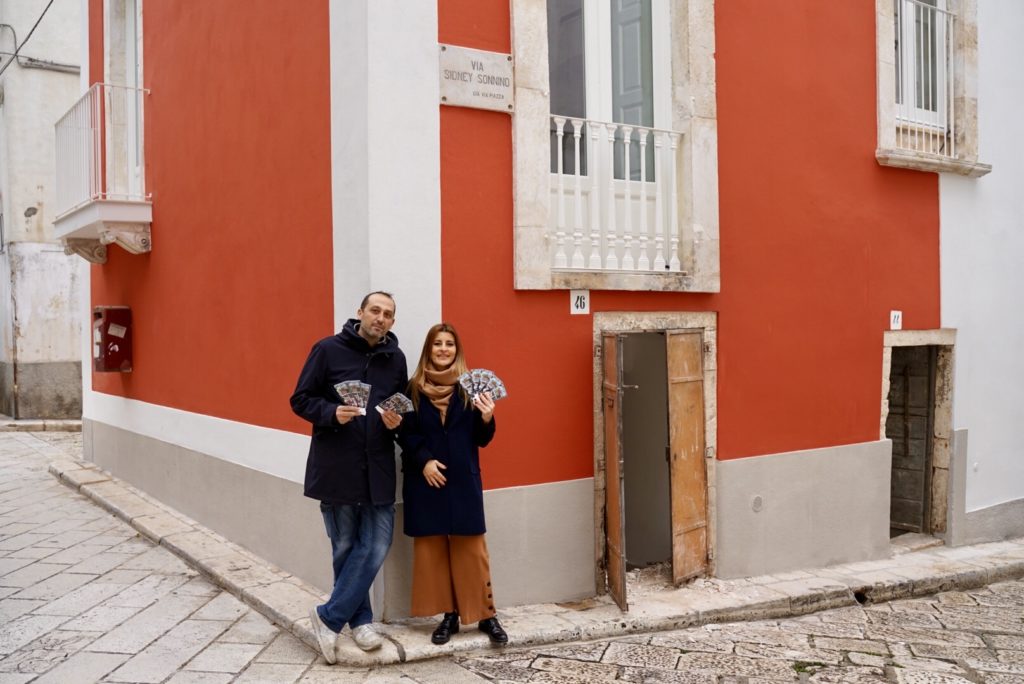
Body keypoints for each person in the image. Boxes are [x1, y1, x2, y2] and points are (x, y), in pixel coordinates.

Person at [290, 292, 407, 663]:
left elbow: (400, 406)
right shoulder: (327, 350)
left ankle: (328, 616)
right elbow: (300, 399)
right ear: (360, 313)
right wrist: (330, 412)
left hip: (379, 469)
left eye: (388, 314)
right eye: (375, 310)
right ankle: (361, 623)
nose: (381, 318)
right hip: (337, 466)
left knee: (375, 545)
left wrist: (396, 421)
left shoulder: (396, 359)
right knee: (344, 547)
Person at [399, 323, 508, 646]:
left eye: (449, 344)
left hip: (463, 480)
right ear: (428, 350)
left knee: (472, 551)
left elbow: (481, 439)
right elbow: (405, 433)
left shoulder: (469, 389)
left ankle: (486, 615)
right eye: (437, 344)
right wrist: (425, 461)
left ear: (456, 350)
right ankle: (448, 616)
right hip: (427, 481)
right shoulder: (413, 390)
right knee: (432, 552)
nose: (443, 349)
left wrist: (487, 417)